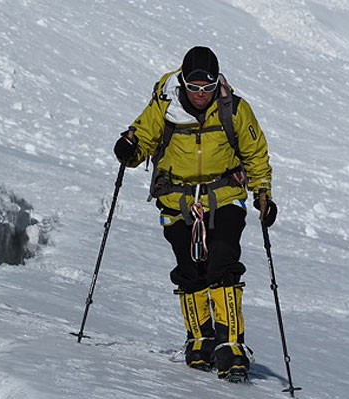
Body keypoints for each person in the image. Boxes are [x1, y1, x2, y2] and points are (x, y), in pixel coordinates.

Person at [113, 46, 277, 382]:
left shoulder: (235, 109)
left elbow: (256, 153)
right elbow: (142, 139)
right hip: (177, 201)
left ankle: (231, 344)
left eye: (207, 87)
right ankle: (199, 339)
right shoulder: (165, 107)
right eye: (194, 87)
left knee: (223, 262)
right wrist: (129, 150)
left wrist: (263, 195)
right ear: (183, 82)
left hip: (226, 197)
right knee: (190, 270)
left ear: (218, 82)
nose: (200, 95)